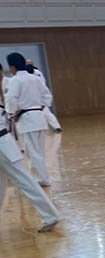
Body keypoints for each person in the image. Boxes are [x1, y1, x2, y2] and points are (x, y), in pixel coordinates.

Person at [0, 91, 61, 231]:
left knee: (26, 182)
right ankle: (51, 215)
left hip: (3, 146)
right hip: (5, 144)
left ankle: (51, 215)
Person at [5, 52, 52, 187]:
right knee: (39, 151)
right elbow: (47, 96)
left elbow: (11, 98)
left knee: (32, 152)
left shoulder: (15, 80)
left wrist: (11, 113)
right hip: (39, 116)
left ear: (12, 66)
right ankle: (40, 177)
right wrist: (40, 107)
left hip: (27, 119)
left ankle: (41, 179)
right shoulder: (35, 78)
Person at [22, 62, 62, 132]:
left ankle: (56, 127)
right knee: (45, 113)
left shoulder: (37, 73)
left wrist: (44, 103)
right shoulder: (26, 76)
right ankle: (54, 127)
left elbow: (43, 84)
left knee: (46, 112)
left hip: (40, 95)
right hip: (33, 97)